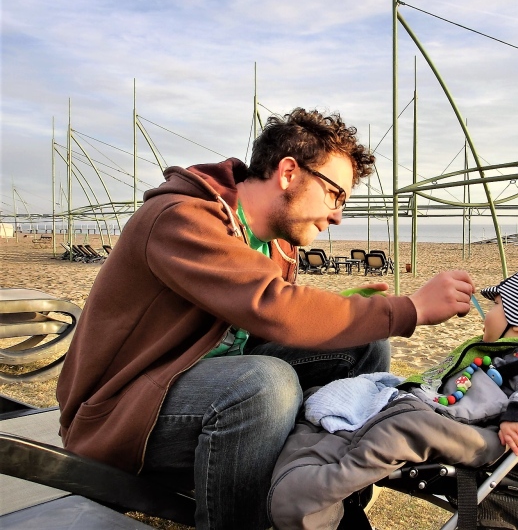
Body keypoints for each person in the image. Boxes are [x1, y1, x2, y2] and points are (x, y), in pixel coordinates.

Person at [56, 108, 475, 530]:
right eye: (336, 195)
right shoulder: (180, 218)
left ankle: (331, 500)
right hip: (120, 415)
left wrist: (340, 312)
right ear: (289, 172)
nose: (337, 216)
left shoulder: (277, 245)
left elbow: (261, 319)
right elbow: (271, 305)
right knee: (262, 383)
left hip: (202, 388)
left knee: (363, 347)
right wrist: (413, 309)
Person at [305, 267, 518, 459]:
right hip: (438, 400)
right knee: (362, 388)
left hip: (447, 415)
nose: (487, 314)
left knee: (389, 414)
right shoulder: (505, 353)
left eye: (496, 306)